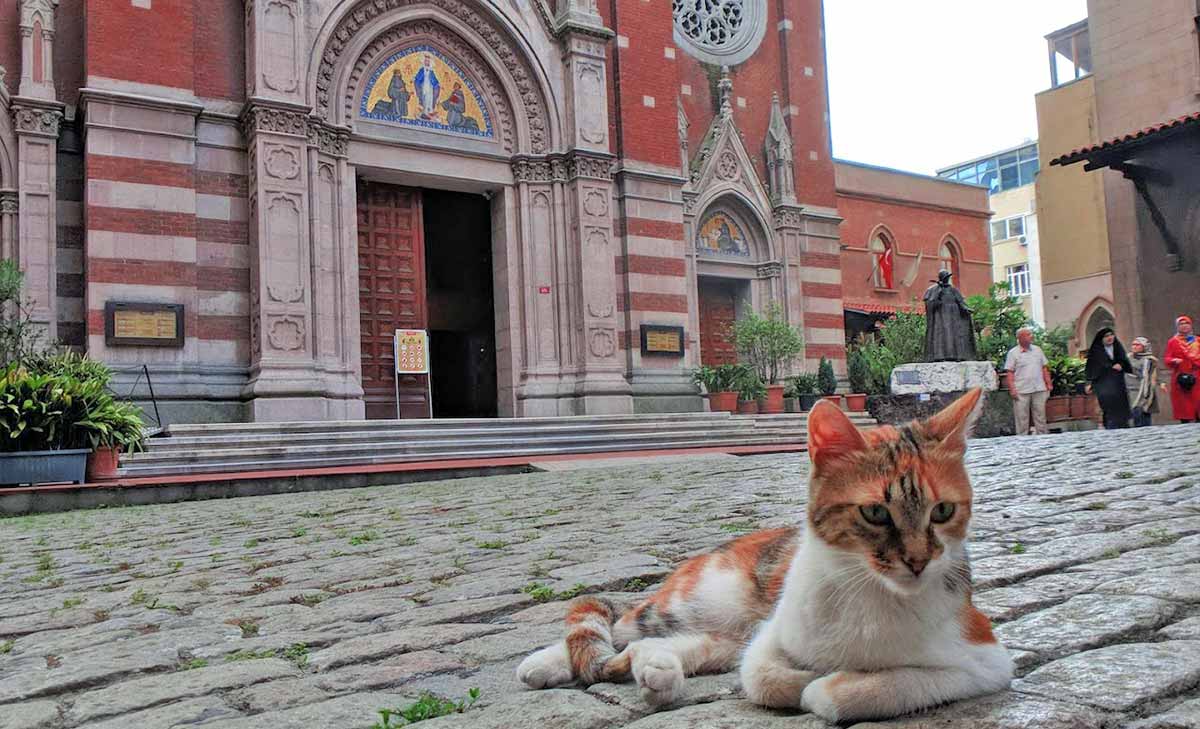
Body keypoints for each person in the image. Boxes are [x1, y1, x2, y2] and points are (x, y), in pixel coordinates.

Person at [1004, 326, 1052, 435]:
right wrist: (1012, 389)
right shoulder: (1013, 353)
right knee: (1022, 418)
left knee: (1041, 416)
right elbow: (1010, 372)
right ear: (1020, 338)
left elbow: (1044, 367)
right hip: (1021, 390)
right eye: (1028, 334)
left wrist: (1049, 384)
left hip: (1039, 388)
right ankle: (1022, 440)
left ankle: (1044, 438)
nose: (1031, 336)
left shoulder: (1038, 350)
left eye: (1031, 334)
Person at [923, 270, 977, 362]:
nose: (947, 280)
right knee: (941, 336)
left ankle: (956, 355)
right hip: (940, 317)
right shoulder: (933, 290)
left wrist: (966, 309)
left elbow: (960, 302)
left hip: (953, 316)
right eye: (946, 278)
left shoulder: (953, 289)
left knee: (954, 335)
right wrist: (938, 294)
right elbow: (930, 303)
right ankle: (939, 356)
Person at [1086, 328, 1132, 429]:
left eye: (1111, 335)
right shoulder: (1096, 351)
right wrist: (1089, 383)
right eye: (1106, 336)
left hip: (1117, 382)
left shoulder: (1117, 347)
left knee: (1121, 404)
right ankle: (1111, 425)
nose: (1110, 338)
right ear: (1101, 338)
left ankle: (1123, 425)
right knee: (1108, 404)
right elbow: (1091, 368)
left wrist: (1121, 365)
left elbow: (1124, 361)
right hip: (1103, 383)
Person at [1164, 315, 1200, 423]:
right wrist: (1174, 360)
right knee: (1183, 403)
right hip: (1182, 376)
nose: (1184, 326)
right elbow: (1167, 358)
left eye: (1187, 323)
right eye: (1181, 324)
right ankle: (1185, 421)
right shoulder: (1173, 342)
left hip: (1197, 374)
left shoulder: (1197, 341)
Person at [1125, 337, 1160, 427]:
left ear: (1144, 347)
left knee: (1143, 413)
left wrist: (1161, 383)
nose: (1134, 347)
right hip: (1130, 389)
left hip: (1144, 390)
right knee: (1135, 414)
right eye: (1133, 344)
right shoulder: (1127, 358)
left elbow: (1152, 374)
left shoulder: (1150, 360)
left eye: (1137, 345)